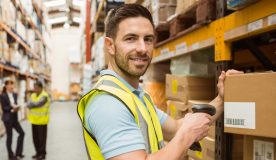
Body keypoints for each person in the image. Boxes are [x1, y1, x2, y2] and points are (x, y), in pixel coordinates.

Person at [77, 4, 243, 160]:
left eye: (148, 39)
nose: (142, 48)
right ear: (110, 45)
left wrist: (221, 99)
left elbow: (177, 127)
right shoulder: (108, 103)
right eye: (131, 38)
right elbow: (183, 132)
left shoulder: (135, 96)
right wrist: (187, 135)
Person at [0, 80, 25, 160]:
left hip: (14, 118)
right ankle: (11, 156)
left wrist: (17, 107)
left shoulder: (14, 94)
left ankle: (18, 153)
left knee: (22, 133)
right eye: (10, 85)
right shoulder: (3, 96)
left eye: (12, 85)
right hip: (7, 119)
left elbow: (15, 103)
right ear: (6, 86)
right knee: (10, 137)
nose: (12, 87)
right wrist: (12, 108)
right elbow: (4, 108)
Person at [27, 81, 51, 160]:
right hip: (34, 121)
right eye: (34, 88)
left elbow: (38, 104)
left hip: (42, 121)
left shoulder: (44, 96)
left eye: (36, 88)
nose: (35, 90)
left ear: (41, 88)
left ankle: (42, 154)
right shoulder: (33, 95)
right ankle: (37, 153)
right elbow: (29, 103)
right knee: (35, 139)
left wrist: (32, 104)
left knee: (42, 139)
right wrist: (31, 104)